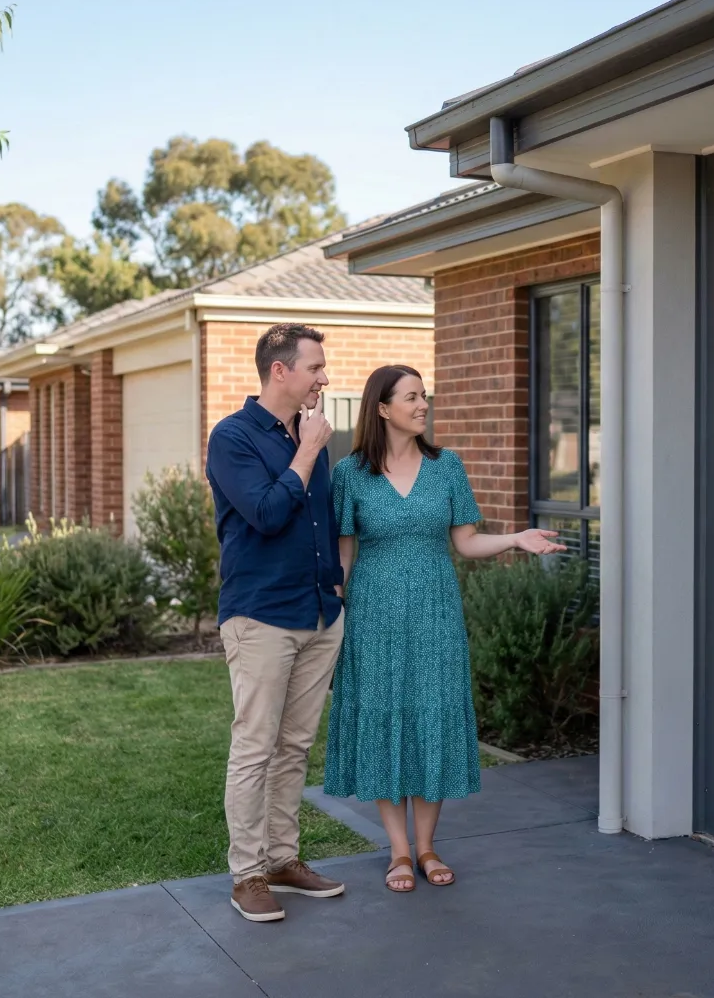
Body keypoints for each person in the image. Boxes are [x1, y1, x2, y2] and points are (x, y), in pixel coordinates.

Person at [322, 364, 566, 892]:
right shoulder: (348, 474)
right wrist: (330, 617)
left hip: (436, 613)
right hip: (374, 617)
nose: (423, 405)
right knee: (386, 720)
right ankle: (400, 851)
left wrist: (515, 539)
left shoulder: (447, 465)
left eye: (423, 396)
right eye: (411, 397)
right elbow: (342, 556)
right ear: (382, 408)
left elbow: (466, 542)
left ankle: (429, 846)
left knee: (431, 715)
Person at [205, 323, 347, 923]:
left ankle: (284, 860)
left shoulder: (306, 433)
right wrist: (309, 450)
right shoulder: (233, 437)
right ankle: (248, 874)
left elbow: (323, 522)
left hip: (318, 612)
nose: (324, 377)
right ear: (280, 371)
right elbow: (264, 514)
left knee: (294, 746)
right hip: (261, 614)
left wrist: (336, 590)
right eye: (315, 367)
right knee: (255, 746)